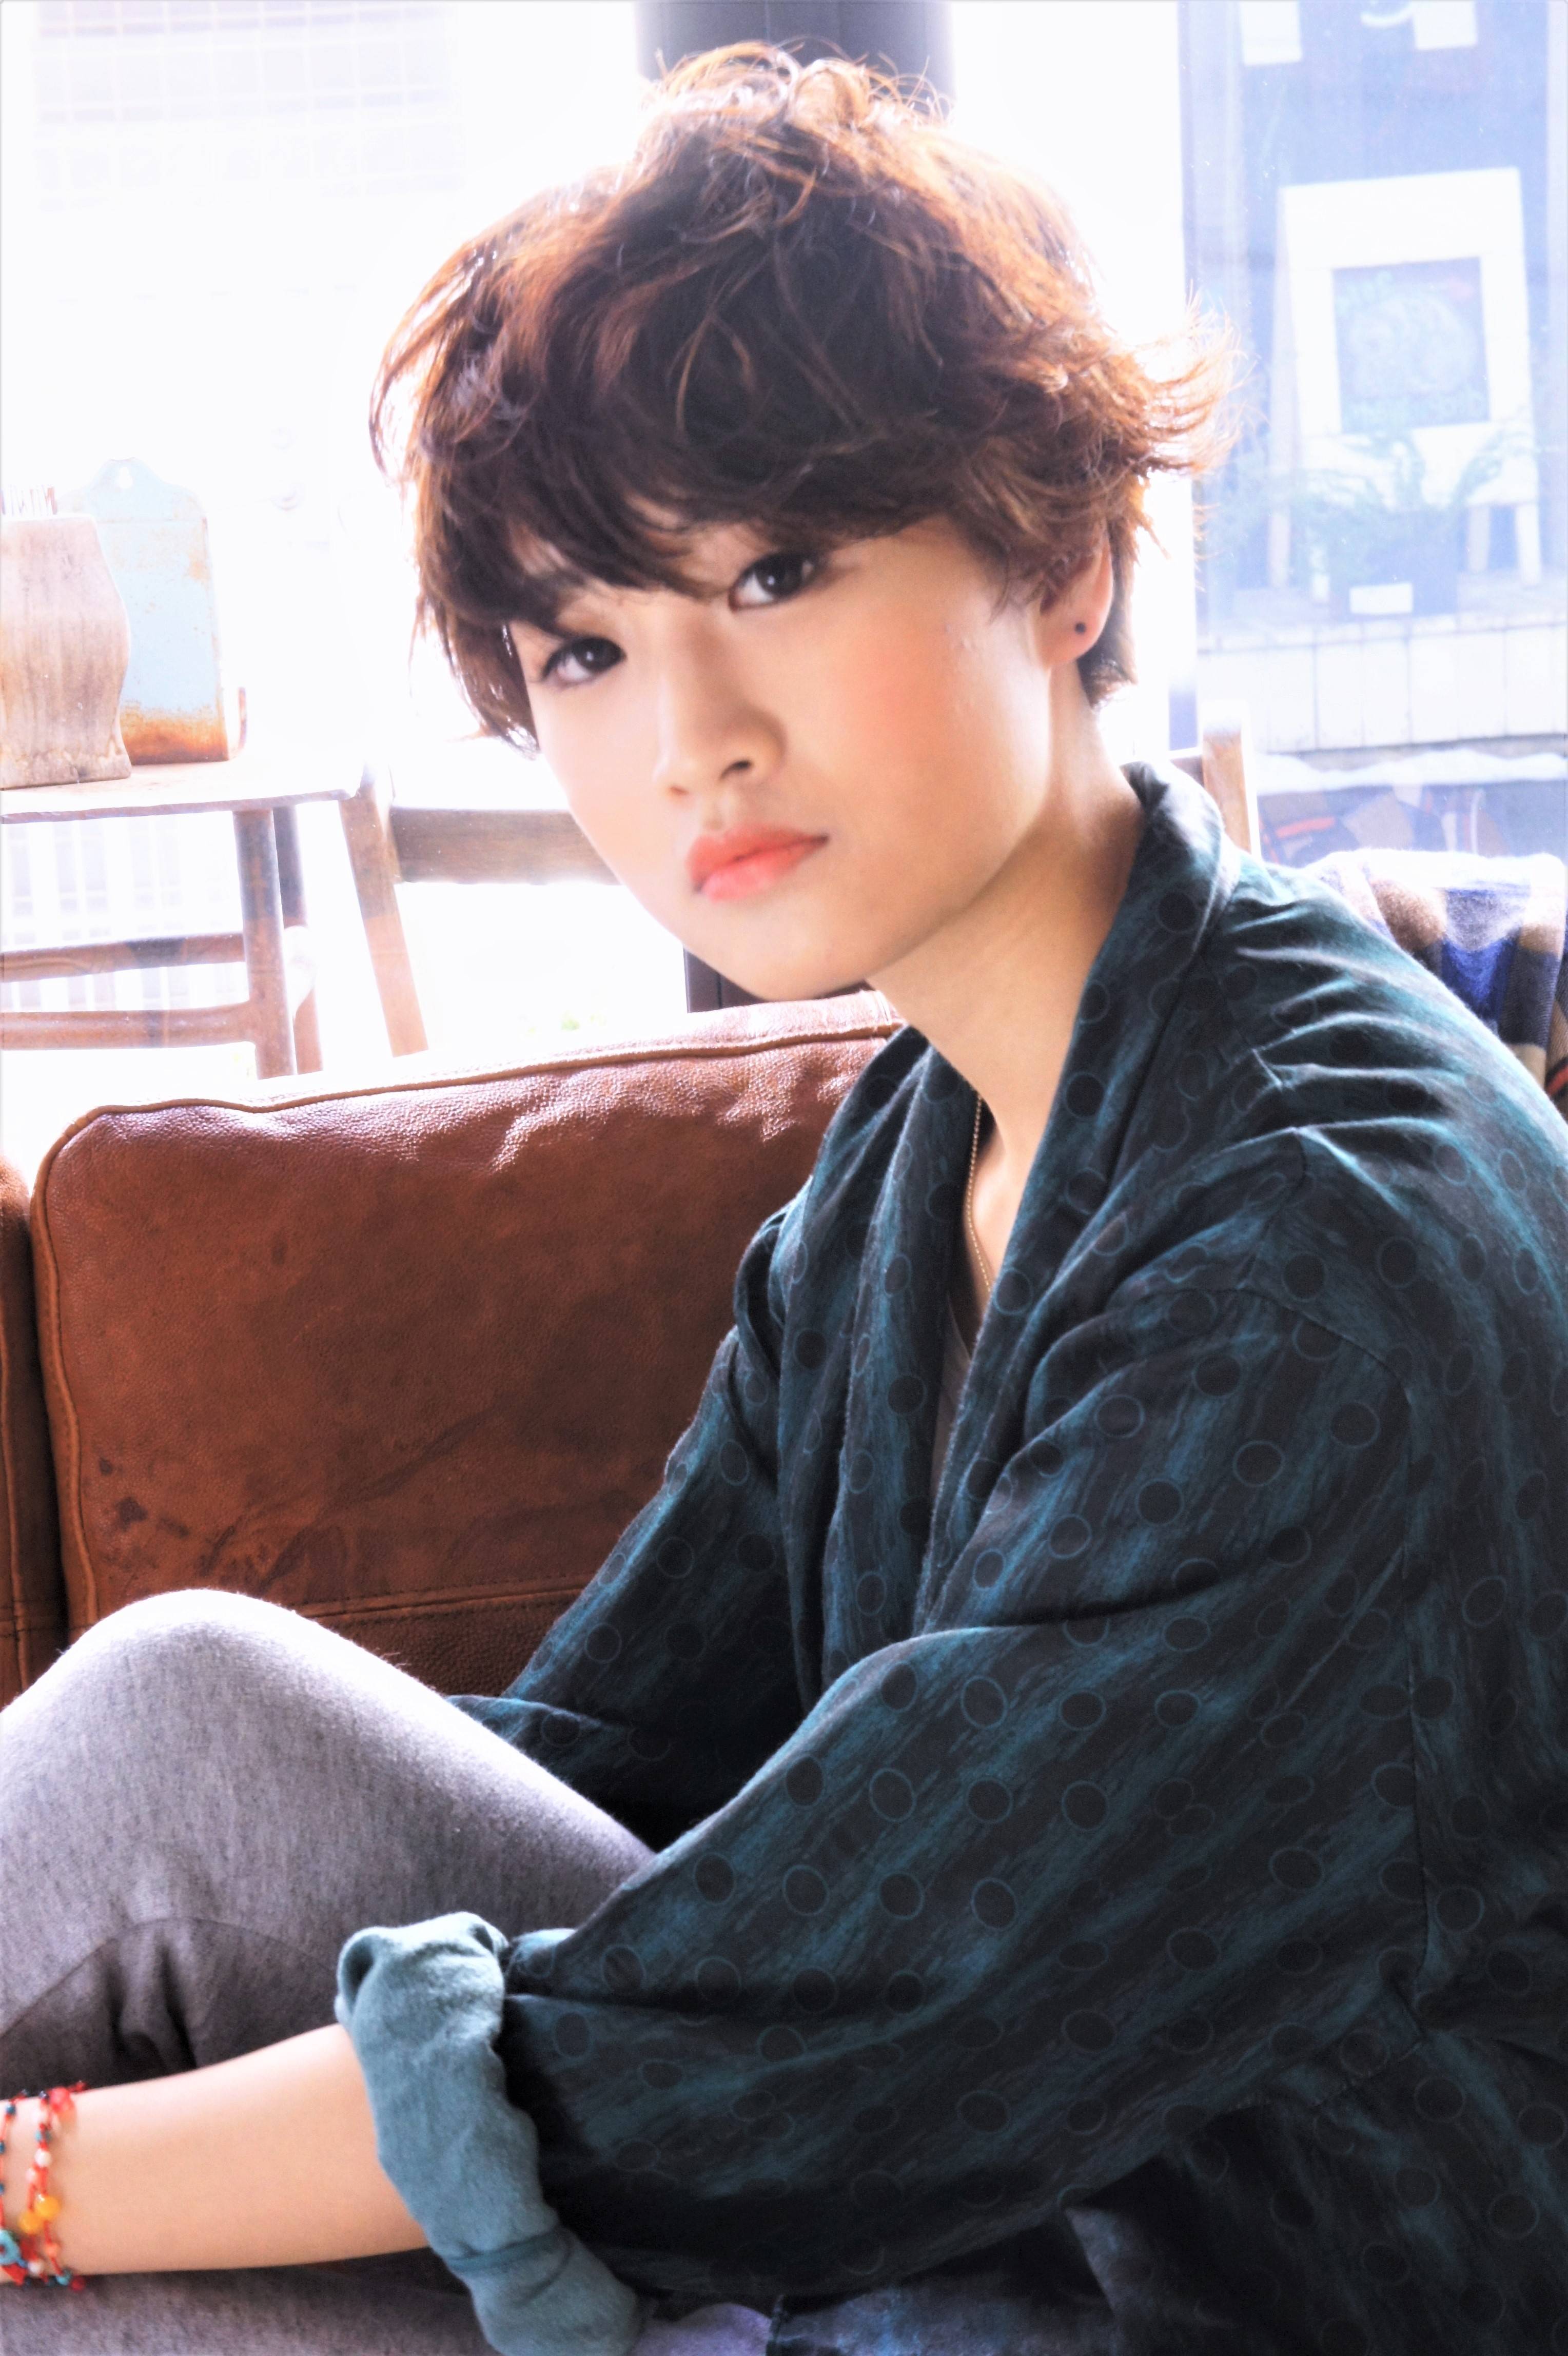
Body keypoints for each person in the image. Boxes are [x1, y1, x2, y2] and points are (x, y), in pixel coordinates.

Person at [3, 43, 1566, 2356]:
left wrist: (42, 2186)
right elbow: (598, 1763)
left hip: (1202, 2295)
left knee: (89, 2277)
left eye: (776, 569)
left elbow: (845, 2032)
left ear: (1062, 558)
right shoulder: (913, 1159)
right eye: (586, 644)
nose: (688, 737)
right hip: (950, 2219)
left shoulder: (1313, 1257)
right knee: (191, 1723)